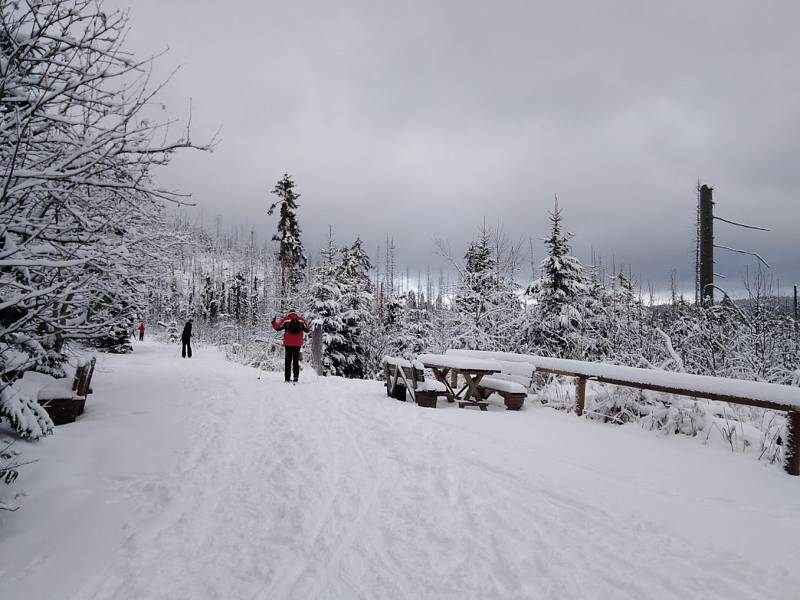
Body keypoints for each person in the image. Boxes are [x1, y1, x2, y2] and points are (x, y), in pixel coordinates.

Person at [271, 311, 309, 382]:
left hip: (288, 344)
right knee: (295, 361)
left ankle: (287, 378)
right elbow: (307, 329)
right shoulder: (301, 320)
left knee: (288, 360)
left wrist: (273, 322)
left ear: (289, 313)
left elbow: (277, 328)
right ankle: (296, 377)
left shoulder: (286, 319)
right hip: (297, 344)